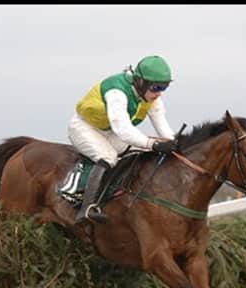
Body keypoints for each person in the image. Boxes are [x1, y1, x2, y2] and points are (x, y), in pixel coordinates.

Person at [68, 55, 179, 223]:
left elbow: (161, 124)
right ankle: (87, 208)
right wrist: (153, 144)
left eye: (164, 87)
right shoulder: (117, 92)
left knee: (143, 151)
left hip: (109, 132)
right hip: (84, 128)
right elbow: (123, 130)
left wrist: (175, 143)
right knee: (108, 157)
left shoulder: (150, 97)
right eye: (156, 87)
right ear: (141, 82)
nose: (159, 93)